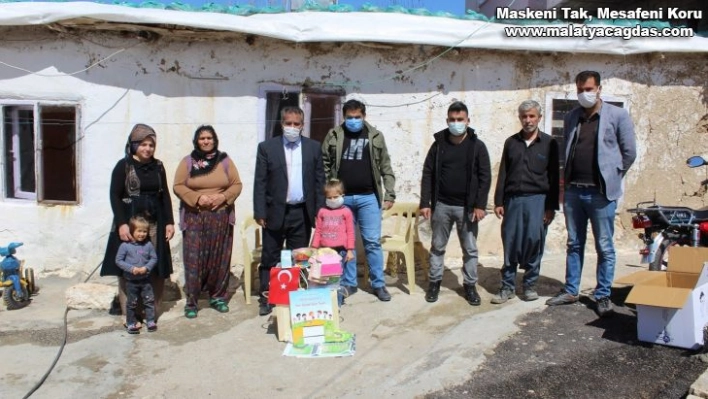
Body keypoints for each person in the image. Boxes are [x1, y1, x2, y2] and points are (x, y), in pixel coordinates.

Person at [546, 71, 637, 317]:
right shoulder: (573, 116)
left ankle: (603, 294)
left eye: (589, 88)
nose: (584, 94)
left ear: (599, 88)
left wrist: (613, 176)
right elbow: (568, 147)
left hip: (601, 194)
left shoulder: (617, 115)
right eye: (580, 89)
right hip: (574, 191)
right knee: (574, 243)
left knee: (604, 246)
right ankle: (571, 289)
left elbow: (629, 152)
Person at [321, 99, 396, 302]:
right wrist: (330, 190)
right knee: (346, 244)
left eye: (357, 117)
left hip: (368, 197)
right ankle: (349, 283)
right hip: (341, 200)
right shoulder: (334, 135)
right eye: (349, 117)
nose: (353, 121)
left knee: (372, 242)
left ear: (364, 116)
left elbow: (385, 166)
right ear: (343, 117)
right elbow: (325, 162)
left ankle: (378, 284)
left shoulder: (375, 136)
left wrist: (390, 193)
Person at [101, 124, 175, 328]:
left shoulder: (158, 166)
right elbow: (114, 195)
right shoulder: (123, 166)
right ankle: (129, 314)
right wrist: (122, 224)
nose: (148, 148)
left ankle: (151, 311)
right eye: (143, 144)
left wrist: (169, 221)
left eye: (151, 144)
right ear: (133, 145)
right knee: (129, 265)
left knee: (155, 264)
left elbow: (165, 194)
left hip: (155, 221)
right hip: (131, 221)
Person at [254, 106, 326, 316]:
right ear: (281, 124)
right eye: (288, 123)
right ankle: (267, 296)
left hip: (301, 212)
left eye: (297, 124)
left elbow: (320, 181)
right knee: (270, 256)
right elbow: (260, 181)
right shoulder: (267, 148)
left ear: (302, 125)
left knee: (301, 258)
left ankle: (299, 296)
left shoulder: (313, 147)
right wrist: (260, 211)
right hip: (274, 211)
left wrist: (319, 211)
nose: (292, 127)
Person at [419, 101, 491, 306]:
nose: (456, 123)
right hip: (441, 205)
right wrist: (425, 202)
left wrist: (480, 205)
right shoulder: (439, 144)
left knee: (469, 249)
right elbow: (428, 173)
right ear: (447, 121)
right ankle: (434, 283)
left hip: (467, 208)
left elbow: (485, 177)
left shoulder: (477, 146)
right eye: (453, 120)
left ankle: (470, 286)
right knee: (437, 246)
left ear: (468, 121)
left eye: (460, 120)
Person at [491, 100, 559, 304]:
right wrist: (498, 200)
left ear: (539, 117)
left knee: (534, 242)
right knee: (510, 243)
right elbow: (503, 171)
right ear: (520, 118)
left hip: (537, 200)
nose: (528, 120)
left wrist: (550, 207)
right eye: (524, 116)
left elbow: (554, 177)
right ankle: (507, 286)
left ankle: (529, 285)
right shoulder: (511, 142)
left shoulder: (549, 143)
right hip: (513, 200)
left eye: (531, 116)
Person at [173, 125, 243, 319]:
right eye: (202, 138)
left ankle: (218, 297)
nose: (206, 141)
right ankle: (192, 301)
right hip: (195, 217)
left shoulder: (225, 161)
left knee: (220, 258)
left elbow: (237, 184)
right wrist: (196, 198)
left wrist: (224, 197)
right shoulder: (187, 162)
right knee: (194, 259)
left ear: (215, 140)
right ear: (197, 141)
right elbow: (178, 186)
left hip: (221, 216)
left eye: (209, 138)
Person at [311, 180, 356, 305]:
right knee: (325, 278)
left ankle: (337, 304)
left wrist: (350, 250)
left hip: (340, 251)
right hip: (325, 251)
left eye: (335, 197)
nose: (332, 199)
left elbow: (350, 232)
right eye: (329, 197)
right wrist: (314, 247)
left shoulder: (346, 212)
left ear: (342, 195)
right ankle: (326, 303)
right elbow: (318, 231)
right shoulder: (322, 212)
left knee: (338, 279)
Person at [115, 216, 158, 334]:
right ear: (132, 230)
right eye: (139, 231)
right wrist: (131, 268)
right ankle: (131, 323)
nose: (142, 234)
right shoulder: (125, 246)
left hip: (146, 280)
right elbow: (118, 261)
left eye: (145, 231)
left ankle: (150, 321)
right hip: (131, 281)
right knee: (132, 303)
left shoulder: (148, 245)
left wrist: (146, 267)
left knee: (149, 301)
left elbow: (154, 258)